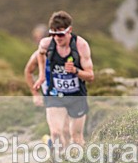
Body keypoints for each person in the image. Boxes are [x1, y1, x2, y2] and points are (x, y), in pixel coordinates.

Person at [33, 10, 94, 147]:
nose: (57, 38)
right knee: (56, 133)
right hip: (55, 94)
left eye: (60, 34)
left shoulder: (80, 46)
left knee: (76, 137)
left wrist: (75, 71)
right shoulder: (46, 44)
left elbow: (90, 76)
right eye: (53, 34)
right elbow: (40, 55)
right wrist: (42, 75)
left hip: (76, 95)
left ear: (69, 30)